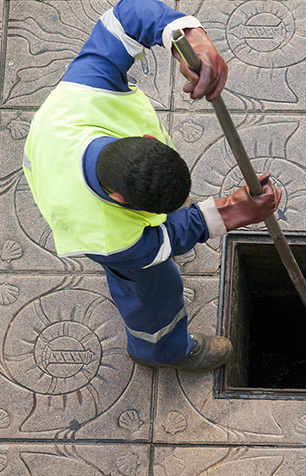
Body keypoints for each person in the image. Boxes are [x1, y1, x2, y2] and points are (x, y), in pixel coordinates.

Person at [22, 0, 281, 372]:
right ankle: (161, 350)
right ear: (118, 199)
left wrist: (188, 36)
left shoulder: (88, 87)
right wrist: (230, 213)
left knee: (168, 222)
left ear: (148, 139)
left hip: (64, 149)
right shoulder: (108, 236)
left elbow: (126, 15)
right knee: (154, 292)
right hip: (88, 219)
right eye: (151, 212)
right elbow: (159, 243)